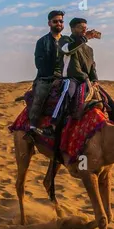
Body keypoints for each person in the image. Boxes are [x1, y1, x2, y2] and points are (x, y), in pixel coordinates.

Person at [61, 18, 114, 123]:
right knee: (66, 104)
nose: (84, 30)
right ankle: (53, 127)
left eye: (85, 28)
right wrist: (85, 38)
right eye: (81, 28)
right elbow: (68, 50)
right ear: (72, 29)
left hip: (88, 82)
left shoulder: (89, 50)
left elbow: (92, 68)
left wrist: (95, 80)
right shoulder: (65, 41)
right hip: (72, 79)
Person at [28, 10, 67, 138]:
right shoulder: (42, 42)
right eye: (55, 21)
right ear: (49, 23)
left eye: (61, 21)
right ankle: (32, 128)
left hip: (66, 77)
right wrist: (53, 75)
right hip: (46, 78)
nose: (59, 24)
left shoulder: (68, 41)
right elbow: (39, 63)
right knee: (39, 97)